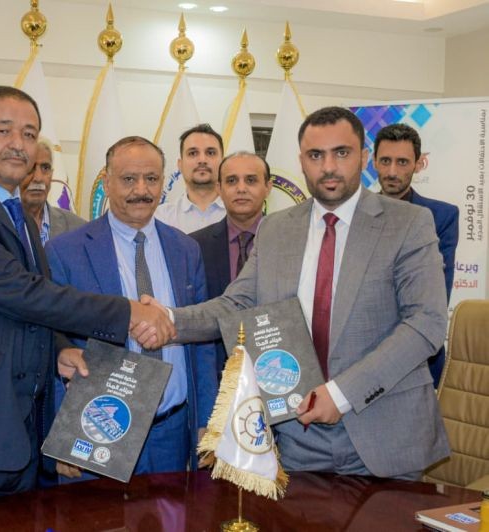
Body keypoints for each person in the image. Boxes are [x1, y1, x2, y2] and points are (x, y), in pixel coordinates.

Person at [0, 86, 173, 529]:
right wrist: (128, 312)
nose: (19, 144)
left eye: (29, 133)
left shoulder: (13, 211)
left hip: (7, 441)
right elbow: (20, 292)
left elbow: (17, 312)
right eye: (3, 131)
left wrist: (57, 349)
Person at [137, 107, 450, 480]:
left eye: (341, 153)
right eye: (316, 155)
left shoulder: (408, 223)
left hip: (384, 433)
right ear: (301, 161)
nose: (328, 167)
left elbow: (426, 323)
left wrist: (341, 394)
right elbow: (236, 303)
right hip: (298, 435)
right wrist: (170, 319)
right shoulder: (276, 228)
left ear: (364, 157)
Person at [46, 136, 217, 478]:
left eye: (151, 178)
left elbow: (202, 343)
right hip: (96, 432)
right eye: (128, 179)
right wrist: (61, 434)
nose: (141, 189)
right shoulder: (65, 251)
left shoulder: (186, 250)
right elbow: (50, 338)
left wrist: (207, 423)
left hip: (172, 431)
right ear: (106, 182)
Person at [373, 123, 459, 387]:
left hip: (420, 359)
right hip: (362, 356)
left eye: (402, 162)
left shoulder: (441, 216)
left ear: (418, 164)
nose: (392, 171)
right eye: (385, 161)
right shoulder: (352, 215)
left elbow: (434, 297)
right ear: (373, 162)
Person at [190, 151, 272, 375]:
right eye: (232, 181)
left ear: (268, 187)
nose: (241, 188)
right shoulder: (193, 246)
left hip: (276, 369)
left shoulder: (288, 242)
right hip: (214, 373)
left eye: (251, 180)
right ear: (219, 188)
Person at [155, 124, 226, 233]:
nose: (202, 160)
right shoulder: (161, 218)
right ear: (180, 165)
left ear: (223, 163)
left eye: (210, 153)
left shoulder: (241, 213)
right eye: (193, 153)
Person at [21, 137, 85, 245]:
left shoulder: (78, 229)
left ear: (52, 173)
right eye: (30, 167)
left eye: (45, 168)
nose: (38, 178)